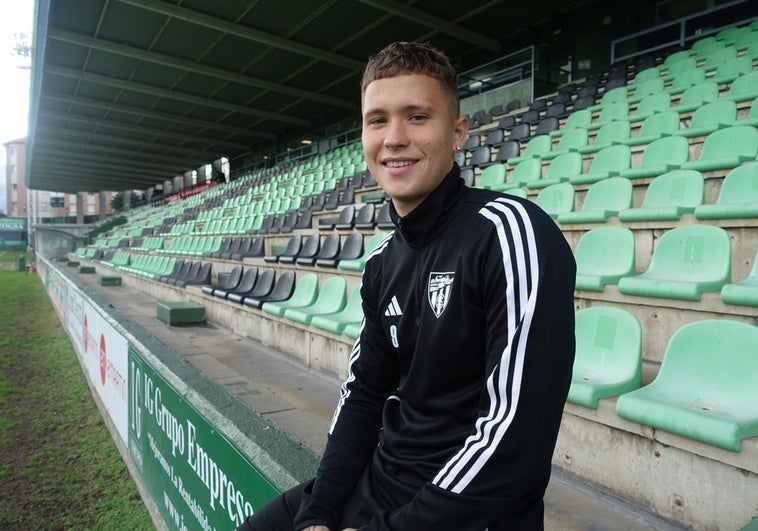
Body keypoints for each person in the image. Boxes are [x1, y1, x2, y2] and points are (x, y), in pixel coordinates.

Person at [238, 40, 576, 531]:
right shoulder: (381, 262)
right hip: (379, 487)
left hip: (463, 512)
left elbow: (514, 442)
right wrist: (319, 512)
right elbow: (364, 395)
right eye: (378, 120)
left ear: (458, 132)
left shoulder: (510, 233)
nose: (394, 138)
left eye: (417, 117)